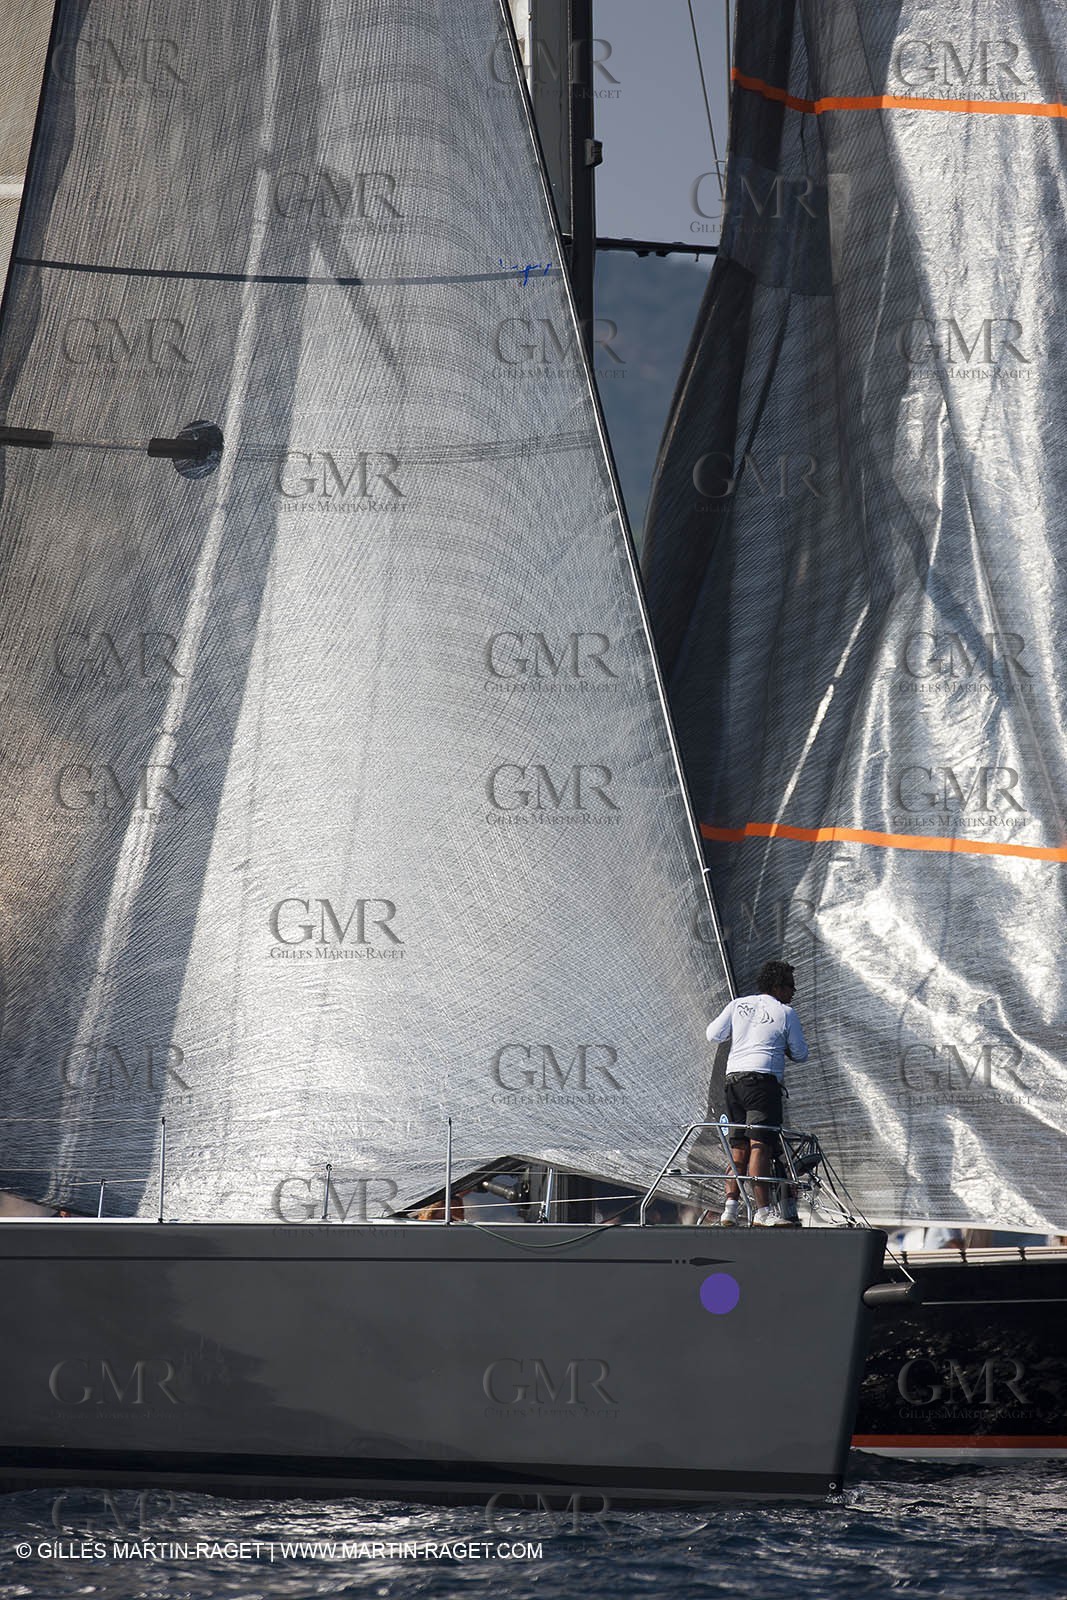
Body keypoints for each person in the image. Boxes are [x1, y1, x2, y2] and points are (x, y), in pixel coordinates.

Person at [705, 959, 808, 1227]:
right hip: (762, 1085)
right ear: (777, 986)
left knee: (737, 1147)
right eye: (791, 987)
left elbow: (713, 1035)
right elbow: (801, 1054)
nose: (793, 993)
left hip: (733, 1082)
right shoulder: (786, 1012)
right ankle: (763, 1212)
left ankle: (730, 1209)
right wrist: (781, 1045)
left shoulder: (738, 1004)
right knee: (759, 1145)